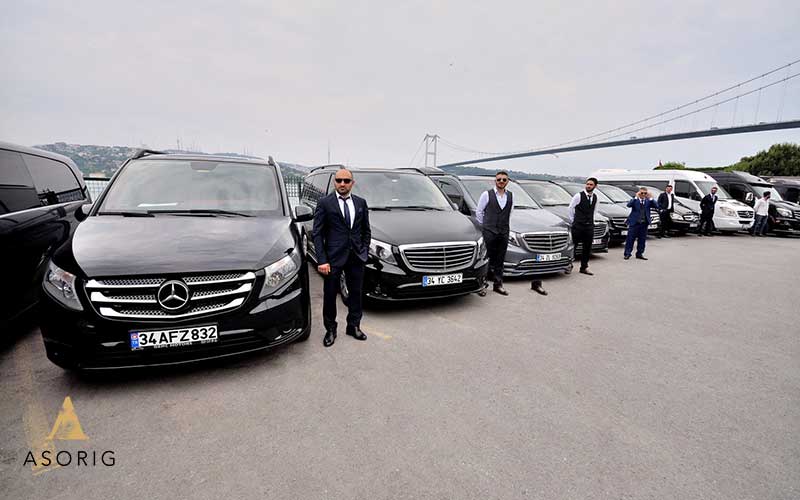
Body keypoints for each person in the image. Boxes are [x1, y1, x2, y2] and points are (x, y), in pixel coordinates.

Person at [312, 168, 371, 347]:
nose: (342, 184)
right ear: (334, 182)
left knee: (356, 294)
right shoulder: (325, 203)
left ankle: (354, 326)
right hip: (332, 258)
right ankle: (331, 329)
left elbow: (366, 230)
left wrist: (364, 250)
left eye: (346, 180)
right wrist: (322, 260)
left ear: (352, 183)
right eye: (339, 180)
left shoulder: (361, 203)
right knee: (330, 295)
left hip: (356, 257)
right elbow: (317, 233)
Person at [476, 171, 513, 295]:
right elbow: (479, 212)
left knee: (500, 260)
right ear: (495, 181)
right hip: (489, 231)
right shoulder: (486, 194)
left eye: (504, 179)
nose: (501, 181)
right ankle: (482, 286)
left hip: (504, 231)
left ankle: (498, 285)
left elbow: (509, 213)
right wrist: (486, 225)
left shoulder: (511, 196)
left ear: (507, 181)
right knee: (486, 258)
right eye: (499, 179)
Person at [567, 177, 599, 275]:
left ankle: (584, 267)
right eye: (587, 184)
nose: (588, 186)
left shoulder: (595, 197)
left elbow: (595, 210)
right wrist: (574, 221)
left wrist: (591, 220)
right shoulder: (578, 196)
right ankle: (568, 265)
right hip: (578, 226)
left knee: (587, 248)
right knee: (574, 247)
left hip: (589, 226)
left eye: (591, 184)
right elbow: (570, 208)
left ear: (595, 186)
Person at [624, 186, 659, 260]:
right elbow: (628, 205)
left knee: (642, 240)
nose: (643, 195)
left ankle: (639, 253)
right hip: (634, 223)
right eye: (642, 193)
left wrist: (651, 198)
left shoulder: (648, 201)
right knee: (630, 239)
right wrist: (636, 197)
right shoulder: (635, 200)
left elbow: (656, 206)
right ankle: (627, 253)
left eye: (645, 193)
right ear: (639, 193)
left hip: (644, 223)